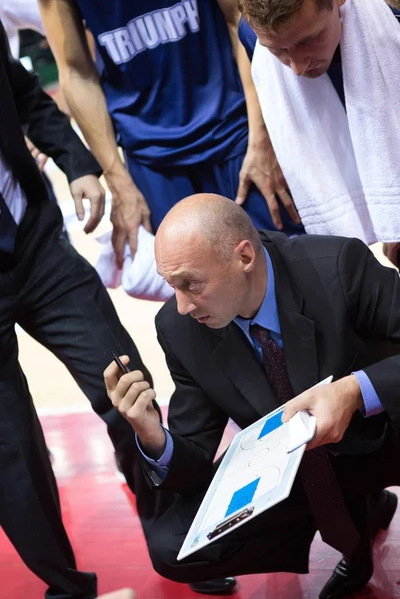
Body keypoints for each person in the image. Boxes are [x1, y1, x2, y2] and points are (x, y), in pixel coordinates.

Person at [104, 193, 400, 599]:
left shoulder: (337, 265)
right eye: (170, 285)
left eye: (191, 283)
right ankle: (354, 532)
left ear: (244, 257)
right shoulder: (179, 327)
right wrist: (152, 433)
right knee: (172, 545)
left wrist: (353, 390)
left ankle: (362, 511)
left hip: (383, 436)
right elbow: (194, 460)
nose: (183, 305)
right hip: (294, 468)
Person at [0, 17, 169, 599]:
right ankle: (67, 588)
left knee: (126, 384)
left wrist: (77, 163)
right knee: (12, 454)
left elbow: (22, 94)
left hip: (34, 239)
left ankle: (175, 539)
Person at [38, 0, 304, 271]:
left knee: (282, 265)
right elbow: (75, 71)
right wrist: (119, 183)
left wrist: (263, 138)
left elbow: (240, 17)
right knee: (192, 287)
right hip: (151, 158)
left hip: (234, 130)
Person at [238, 0, 400, 266]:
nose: (297, 67)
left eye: (307, 41)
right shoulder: (251, 35)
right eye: (277, 51)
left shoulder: (391, 14)